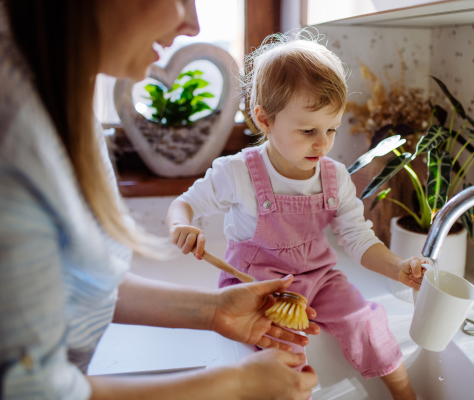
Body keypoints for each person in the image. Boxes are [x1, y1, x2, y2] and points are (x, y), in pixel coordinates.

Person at [0, 1, 319, 399]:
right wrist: (235, 385)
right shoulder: (11, 122)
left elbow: (79, 283)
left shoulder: (56, 99)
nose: (192, 23)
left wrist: (215, 311)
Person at [167, 31, 428, 400]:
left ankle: (405, 393)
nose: (322, 143)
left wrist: (398, 267)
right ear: (264, 119)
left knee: (366, 321)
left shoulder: (334, 177)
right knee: (283, 352)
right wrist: (182, 225)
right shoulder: (238, 172)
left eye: (331, 129)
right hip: (256, 287)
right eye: (308, 131)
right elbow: (184, 203)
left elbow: (358, 238)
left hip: (319, 279)